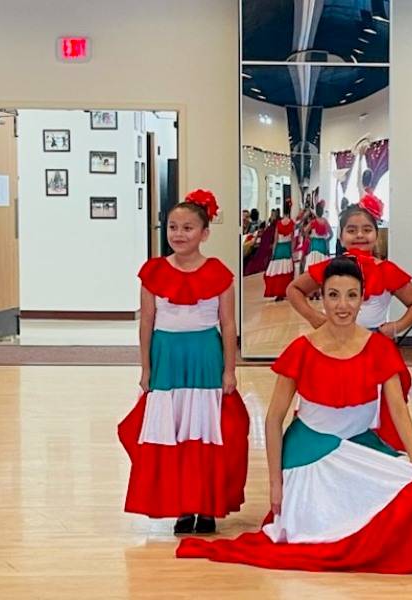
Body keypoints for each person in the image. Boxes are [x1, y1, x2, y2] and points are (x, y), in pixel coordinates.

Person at [177, 256, 412, 573]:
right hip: (309, 452)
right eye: (333, 295)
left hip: (358, 444)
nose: (342, 305)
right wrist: (275, 483)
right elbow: (273, 420)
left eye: (352, 295)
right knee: (314, 532)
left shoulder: (379, 348)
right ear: (320, 297)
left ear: (363, 298)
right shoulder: (302, 348)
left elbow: (398, 408)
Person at [118, 189, 250, 535]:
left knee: (204, 431)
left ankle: (206, 506)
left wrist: (229, 370)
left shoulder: (219, 273)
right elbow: (146, 321)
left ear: (204, 233)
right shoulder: (153, 272)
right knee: (172, 433)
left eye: (188, 227)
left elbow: (228, 323)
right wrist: (145, 368)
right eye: (172, 226)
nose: (178, 234)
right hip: (168, 359)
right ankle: (180, 506)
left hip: (205, 358)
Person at [287, 203, 412, 449]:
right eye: (352, 230)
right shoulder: (332, 268)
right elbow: (294, 289)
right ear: (340, 236)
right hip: (332, 346)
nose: (359, 235)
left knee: (381, 409)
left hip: (374, 348)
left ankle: (376, 455)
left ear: (376, 233)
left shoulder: (387, 270)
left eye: (366, 229)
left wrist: (395, 326)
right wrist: (315, 318)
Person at [263, 205, 295, 300]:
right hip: (287, 248)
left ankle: (277, 292)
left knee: (277, 271)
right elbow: (293, 239)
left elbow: (276, 239)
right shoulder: (292, 223)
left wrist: (273, 252)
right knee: (286, 270)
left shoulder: (279, 223)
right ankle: (285, 290)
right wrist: (292, 251)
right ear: (289, 212)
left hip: (279, 249)